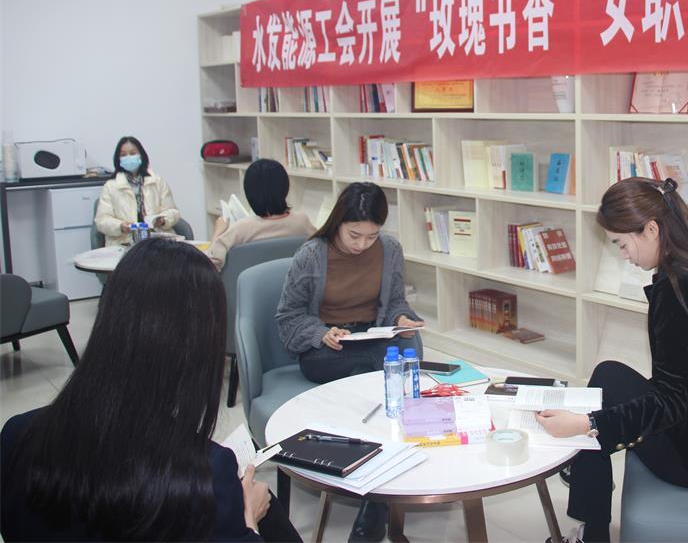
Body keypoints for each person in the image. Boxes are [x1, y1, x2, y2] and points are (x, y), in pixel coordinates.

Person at [0, 239, 301, 542]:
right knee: (266, 506)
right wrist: (248, 521)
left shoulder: (16, 436)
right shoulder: (205, 475)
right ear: (199, 347)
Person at [536, 177, 688, 543]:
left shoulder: (677, 289)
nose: (623, 255)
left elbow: (670, 402)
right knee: (608, 376)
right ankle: (589, 502)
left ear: (651, 229)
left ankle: (591, 514)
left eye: (622, 244)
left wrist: (586, 424)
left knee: (595, 415)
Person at [276, 182, 423, 543]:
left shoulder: (390, 250)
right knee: (386, 367)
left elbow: (395, 303)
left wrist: (401, 319)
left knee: (396, 354)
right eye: (354, 235)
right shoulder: (311, 255)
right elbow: (288, 317)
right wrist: (321, 333)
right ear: (338, 222)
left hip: (371, 338)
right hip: (327, 349)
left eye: (371, 236)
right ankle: (381, 493)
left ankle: (376, 496)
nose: (362, 245)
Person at [206, 159, 316, 271]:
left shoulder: (241, 229)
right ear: (285, 187)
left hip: (244, 283)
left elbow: (208, 266)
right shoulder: (302, 222)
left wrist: (218, 232)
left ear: (249, 193)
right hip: (292, 281)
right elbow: (321, 247)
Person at [94, 136, 180, 246]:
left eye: (133, 153)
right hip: (124, 241)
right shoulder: (111, 186)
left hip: (156, 240)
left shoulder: (157, 181)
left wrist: (163, 220)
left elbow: (172, 211)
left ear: (141, 155)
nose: (128, 157)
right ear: (118, 159)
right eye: (123, 155)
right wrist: (121, 226)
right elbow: (102, 220)